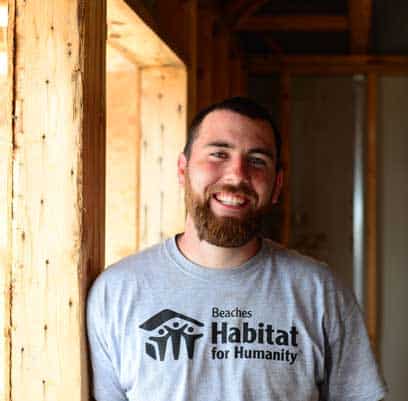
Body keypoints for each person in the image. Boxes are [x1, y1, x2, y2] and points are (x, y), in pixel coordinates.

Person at [87, 97, 387, 401]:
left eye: (257, 161)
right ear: (182, 169)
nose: (237, 175)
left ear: (277, 185)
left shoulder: (319, 292)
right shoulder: (118, 292)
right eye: (219, 154)